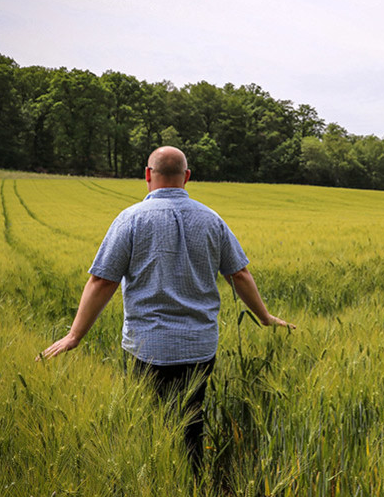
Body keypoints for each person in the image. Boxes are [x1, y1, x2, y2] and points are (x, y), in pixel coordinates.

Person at [39, 146, 293, 472]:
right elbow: (239, 274)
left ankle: (158, 489)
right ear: (187, 177)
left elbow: (102, 282)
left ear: (147, 175)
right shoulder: (211, 219)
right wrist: (264, 316)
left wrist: (75, 335)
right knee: (191, 426)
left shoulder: (130, 219)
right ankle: (194, 489)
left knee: (151, 426)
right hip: (199, 348)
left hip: (149, 348)